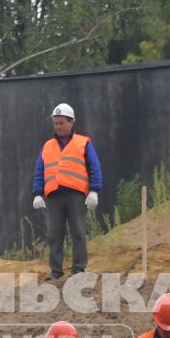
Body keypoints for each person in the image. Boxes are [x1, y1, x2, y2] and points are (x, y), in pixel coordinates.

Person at [29, 103, 104, 282]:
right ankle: (56, 270)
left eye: (61, 123)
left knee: (78, 231)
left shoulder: (83, 142)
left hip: (76, 195)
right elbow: (40, 170)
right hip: (54, 196)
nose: (58, 126)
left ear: (71, 122)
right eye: (55, 123)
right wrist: (37, 193)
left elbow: (95, 167)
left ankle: (79, 269)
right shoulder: (48, 146)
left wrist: (94, 190)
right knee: (54, 234)